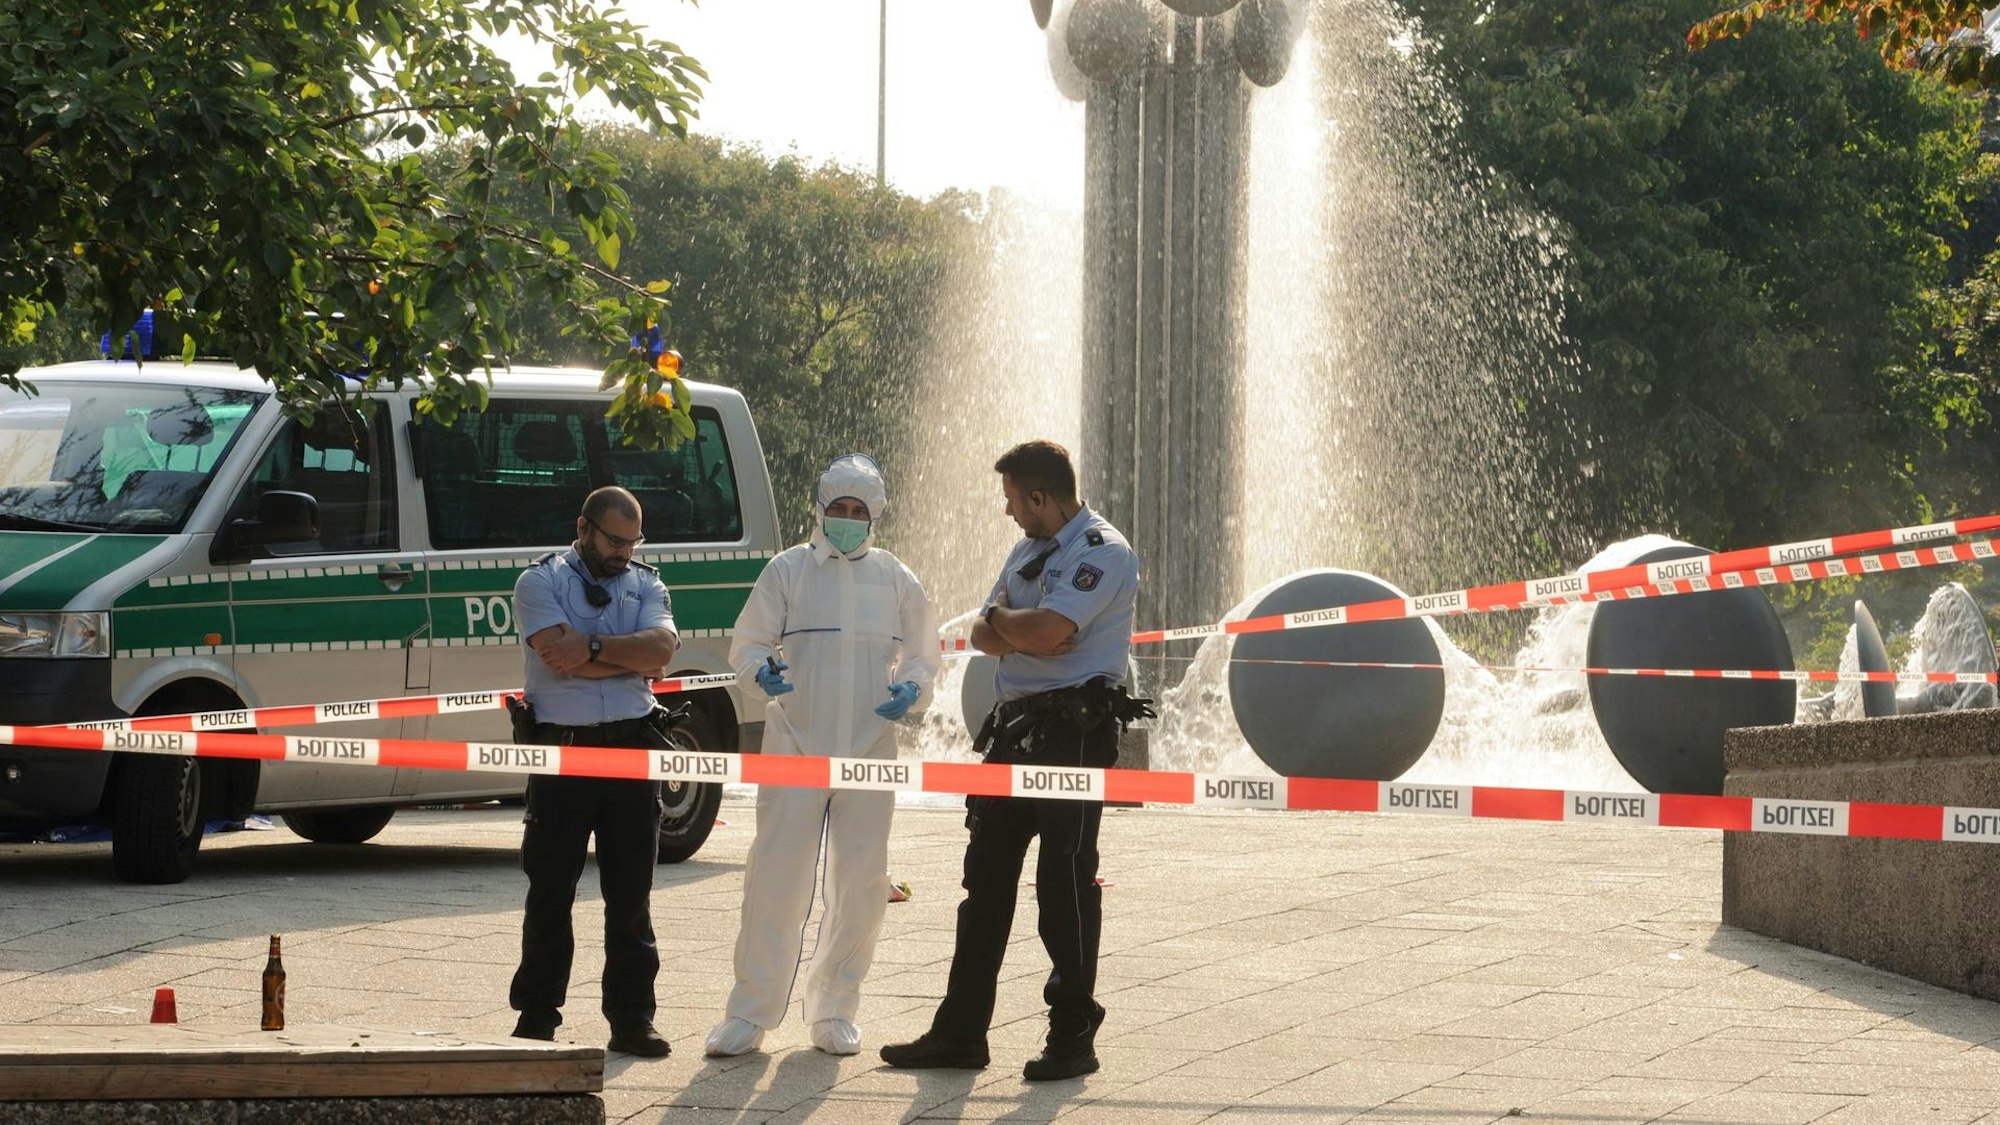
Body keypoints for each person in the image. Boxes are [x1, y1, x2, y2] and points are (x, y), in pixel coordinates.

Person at [881, 439, 1148, 1081]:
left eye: (1012, 500)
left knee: (1065, 886)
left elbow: (1044, 632)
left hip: (1073, 737)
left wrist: (1014, 624)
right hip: (1015, 730)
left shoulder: (1104, 552)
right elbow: (983, 634)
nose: (1007, 512)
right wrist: (1012, 623)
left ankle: (1073, 1035)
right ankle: (960, 1033)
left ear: (1040, 496)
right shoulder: (1027, 549)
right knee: (985, 882)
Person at [705, 454, 941, 1058]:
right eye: (839, 508)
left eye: (859, 511)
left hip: (870, 744)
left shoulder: (895, 577)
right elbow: (747, 643)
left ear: (875, 516)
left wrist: (912, 688)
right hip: (795, 740)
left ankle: (835, 1009)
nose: (848, 519)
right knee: (776, 875)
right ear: (820, 509)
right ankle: (750, 1011)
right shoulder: (787, 571)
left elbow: (924, 652)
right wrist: (760, 672)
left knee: (861, 880)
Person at [507, 486, 679, 1058]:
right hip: (563, 751)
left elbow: (661, 651)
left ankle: (633, 1020)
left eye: (633, 542)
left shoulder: (646, 583)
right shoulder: (540, 582)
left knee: (631, 896)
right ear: (583, 527)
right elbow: (558, 655)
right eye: (614, 540)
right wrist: (625, 659)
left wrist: (594, 648)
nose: (623, 552)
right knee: (550, 891)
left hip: (632, 748)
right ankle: (537, 1016)